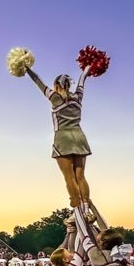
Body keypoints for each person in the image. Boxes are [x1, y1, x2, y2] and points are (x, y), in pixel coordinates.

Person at [22, 65, 92, 207]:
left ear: (56, 85)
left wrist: (26, 67)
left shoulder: (54, 98)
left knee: (69, 176)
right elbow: (82, 79)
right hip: (79, 138)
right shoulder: (78, 97)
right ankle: (86, 204)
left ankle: (77, 204)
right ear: (68, 85)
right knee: (80, 176)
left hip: (63, 139)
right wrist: (87, 69)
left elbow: (37, 81)